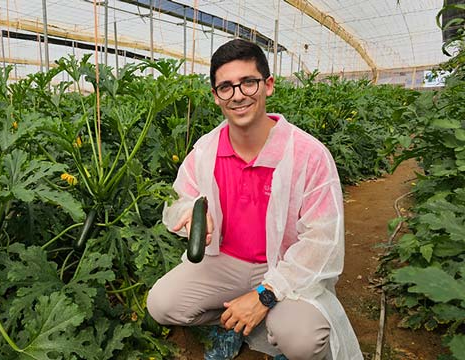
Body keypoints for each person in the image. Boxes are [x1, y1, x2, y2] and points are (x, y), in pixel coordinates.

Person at [146, 39, 363, 360]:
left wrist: (265, 295)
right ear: (216, 96)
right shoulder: (206, 150)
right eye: (226, 87)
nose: (238, 95)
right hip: (223, 263)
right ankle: (232, 324)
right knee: (162, 304)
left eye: (248, 82)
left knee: (301, 340)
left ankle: (273, 330)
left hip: (285, 266)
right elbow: (178, 199)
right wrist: (193, 212)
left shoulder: (308, 154)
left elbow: (322, 241)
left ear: (268, 85)